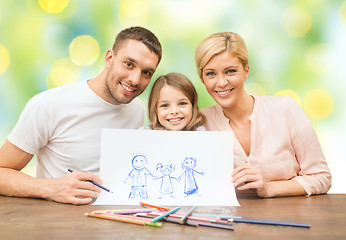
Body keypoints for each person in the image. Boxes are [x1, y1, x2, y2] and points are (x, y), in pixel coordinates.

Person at [0, 26, 162, 205]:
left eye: (146, 72)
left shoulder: (137, 109)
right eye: (129, 64)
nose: (135, 80)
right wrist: (51, 188)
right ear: (109, 58)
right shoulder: (48, 105)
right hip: (59, 224)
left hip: (116, 222)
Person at [195, 32, 331, 198]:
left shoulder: (286, 109)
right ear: (202, 78)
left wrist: (269, 189)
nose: (221, 82)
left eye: (230, 71)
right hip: (230, 221)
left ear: (246, 71)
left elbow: (321, 177)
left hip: (291, 218)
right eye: (210, 74)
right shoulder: (198, 122)